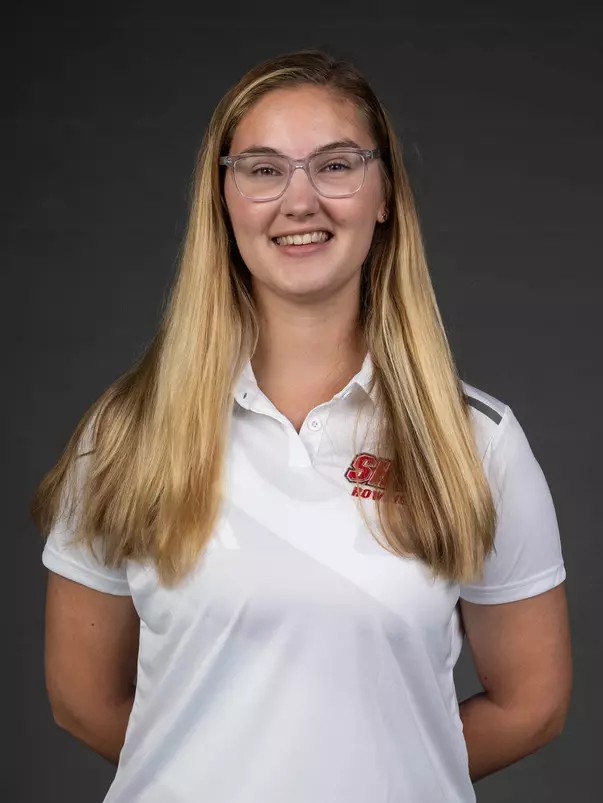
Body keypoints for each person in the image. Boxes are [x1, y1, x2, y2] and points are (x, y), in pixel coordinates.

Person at [32, 49, 572, 803]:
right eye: (261, 169)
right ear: (222, 197)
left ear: (383, 193)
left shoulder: (476, 439)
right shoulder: (127, 432)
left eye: (336, 165)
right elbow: (81, 699)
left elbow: (530, 705)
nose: (299, 200)